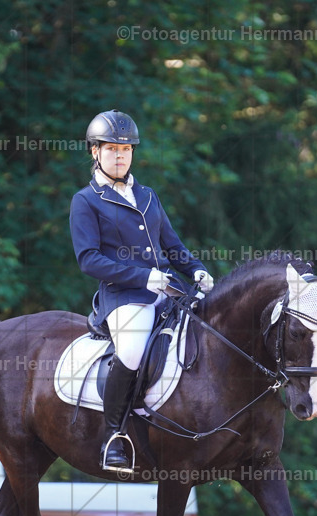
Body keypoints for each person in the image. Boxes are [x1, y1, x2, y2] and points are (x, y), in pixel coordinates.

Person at [69, 109, 214, 473]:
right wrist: (140, 276)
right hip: (123, 297)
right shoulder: (86, 201)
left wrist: (195, 269)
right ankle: (113, 437)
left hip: (167, 289)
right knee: (132, 350)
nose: (120, 155)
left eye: (126, 149)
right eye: (112, 149)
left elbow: (172, 244)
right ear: (95, 152)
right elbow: (89, 260)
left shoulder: (148, 196)